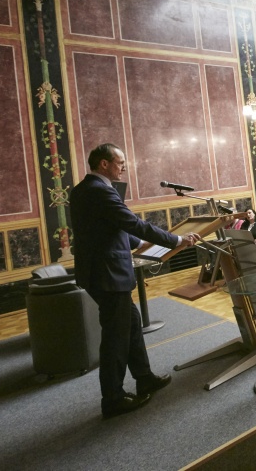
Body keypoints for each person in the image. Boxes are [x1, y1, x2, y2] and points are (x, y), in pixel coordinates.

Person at [70, 143, 201, 418]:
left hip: (102, 272)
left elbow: (109, 228)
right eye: (119, 162)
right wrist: (176, 240)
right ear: (103, 163)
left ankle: (144, 377)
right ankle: (113, 398)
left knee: (130, 326)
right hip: (108, 274)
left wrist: (139, 242)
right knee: (116, 337)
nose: (123, 167)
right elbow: (131, 222)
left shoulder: (84, 189)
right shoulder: (99, 190)